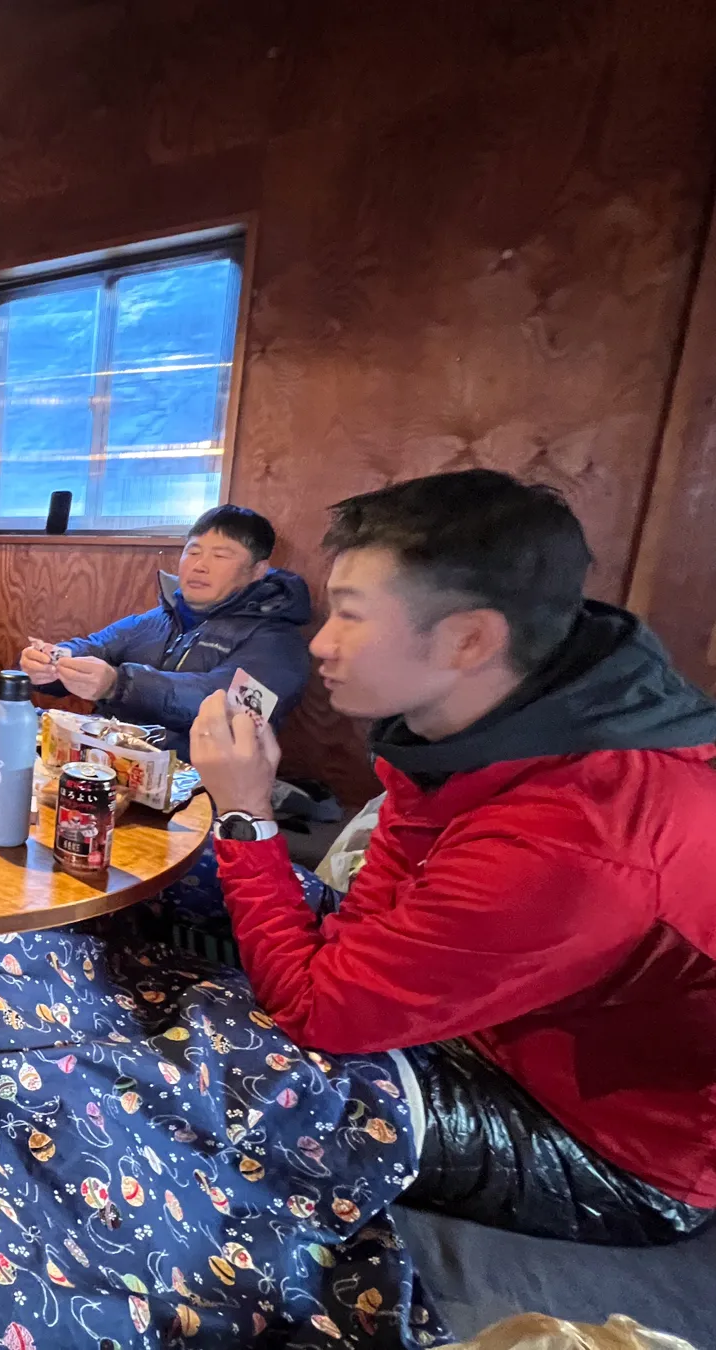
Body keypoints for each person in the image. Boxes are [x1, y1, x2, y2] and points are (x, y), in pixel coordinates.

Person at [190, 468, 716, 1244]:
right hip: (485, 1016)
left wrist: (245, 812)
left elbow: (317, 1011)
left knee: (217, 1062)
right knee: (182, 887)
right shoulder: (484, 728)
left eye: (350, 616)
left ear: (471, 638)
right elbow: (373, 916)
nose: (323, 645)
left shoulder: (578, 833)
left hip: (613, 1151)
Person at [19, 504, 310, 753]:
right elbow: (95, 646)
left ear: (257, 570)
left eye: (220, 556)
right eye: (193, 552)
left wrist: (119, 685)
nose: (200, 566)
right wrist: (52, 662)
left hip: (202, 789)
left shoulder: (279, 643)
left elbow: (232, 709)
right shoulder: (154, 620)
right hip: (111, 767)